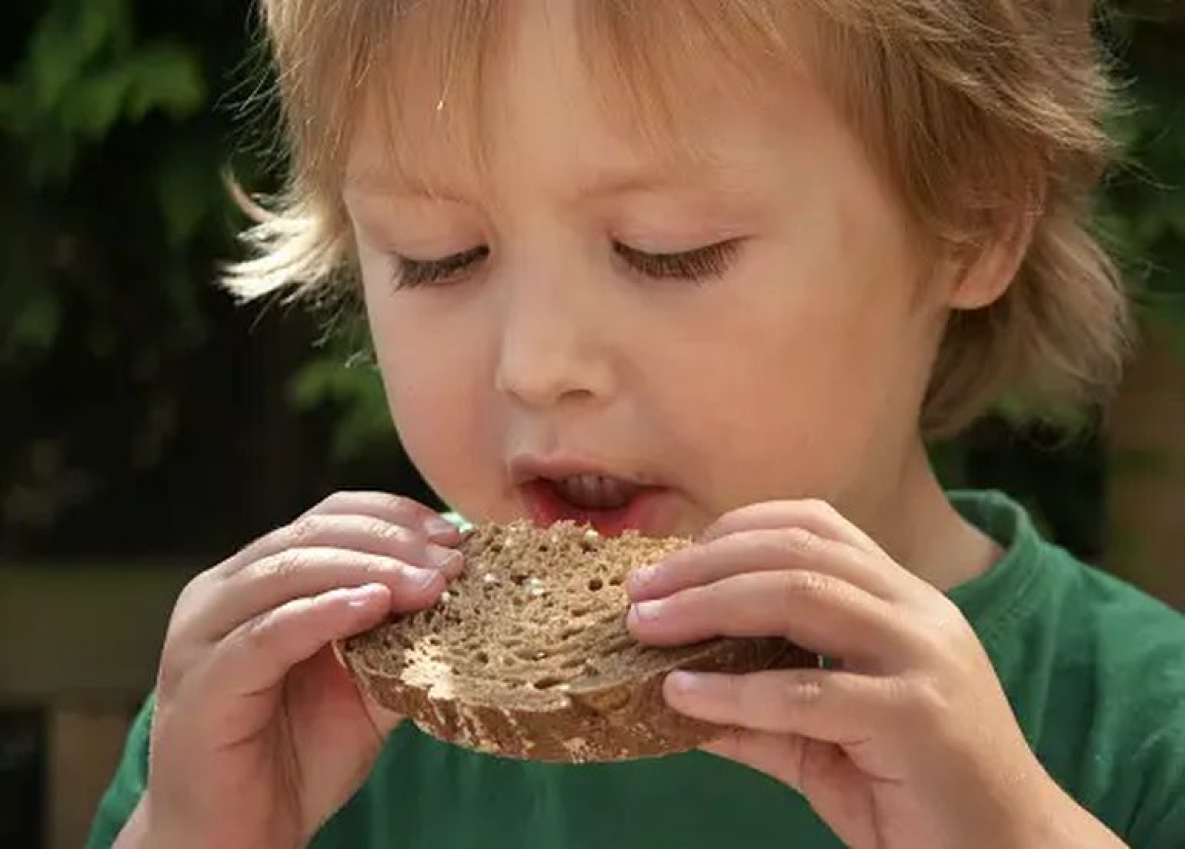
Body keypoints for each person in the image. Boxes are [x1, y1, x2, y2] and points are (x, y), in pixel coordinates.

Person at [89, 1, 1185, 846]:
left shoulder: (1141, 730)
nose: (538, 367)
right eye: (437, 256)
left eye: (670, 250)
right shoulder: (276, 729)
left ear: (974, 225)